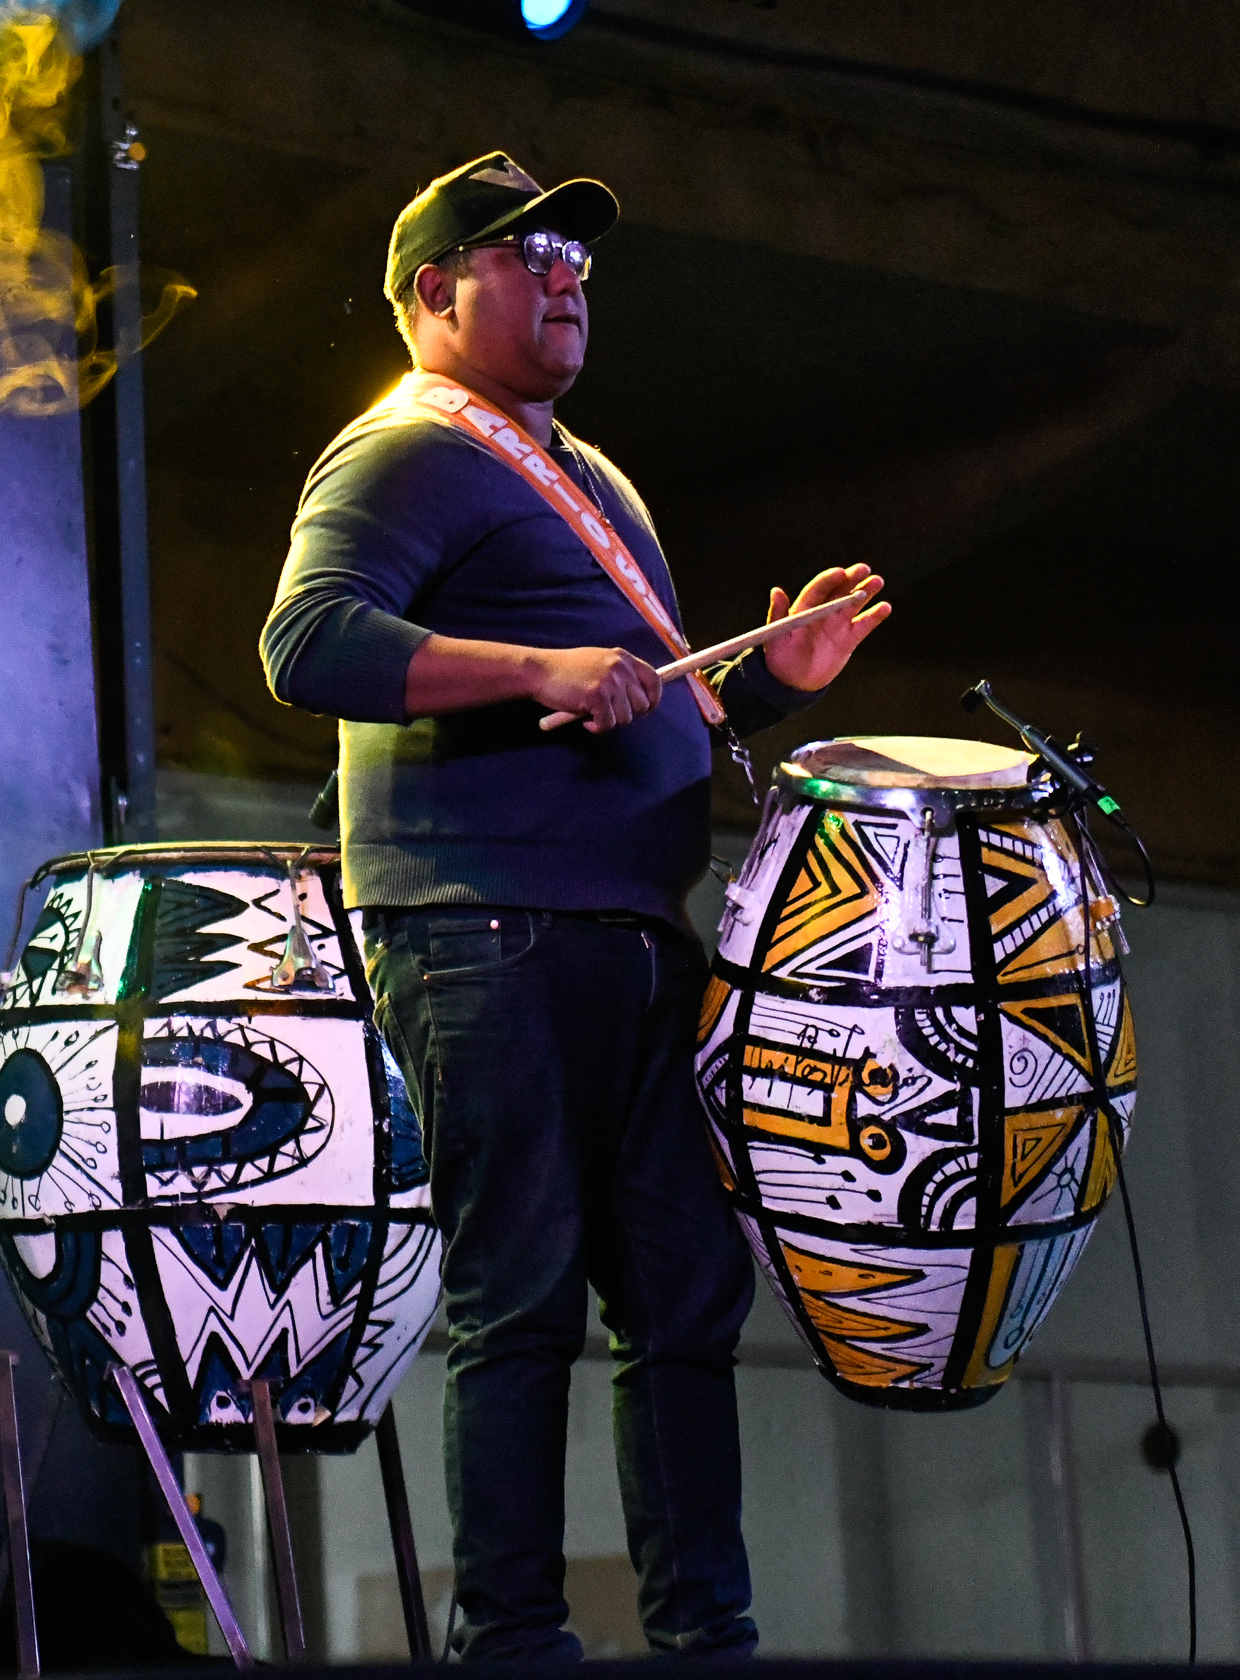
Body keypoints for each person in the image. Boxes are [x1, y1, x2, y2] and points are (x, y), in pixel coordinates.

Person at [260, 151, 888, 1660]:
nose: (564, 277)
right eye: (524, 253)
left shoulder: (586, 474)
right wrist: (531, 670)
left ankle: (703, 1636)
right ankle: (519, 1645)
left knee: (682, 1293)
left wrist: (757, 674)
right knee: (524, 1295)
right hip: (484, 925)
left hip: (617, 931)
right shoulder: (402, 448)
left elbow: (631, 692)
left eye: (576, 260)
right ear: (433, 292)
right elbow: (307, 639)